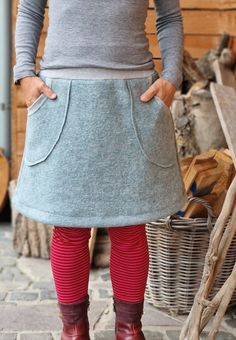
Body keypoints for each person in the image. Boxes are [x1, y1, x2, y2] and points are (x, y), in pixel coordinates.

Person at [12, 1, 188, 339]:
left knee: (131, 227)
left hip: (134, 100)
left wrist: (171, 79)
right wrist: (24, 74)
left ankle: (129, 329)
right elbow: (30, 9)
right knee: (69, 228)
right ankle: (73, 329)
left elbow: (169, 16)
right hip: (61, 98)